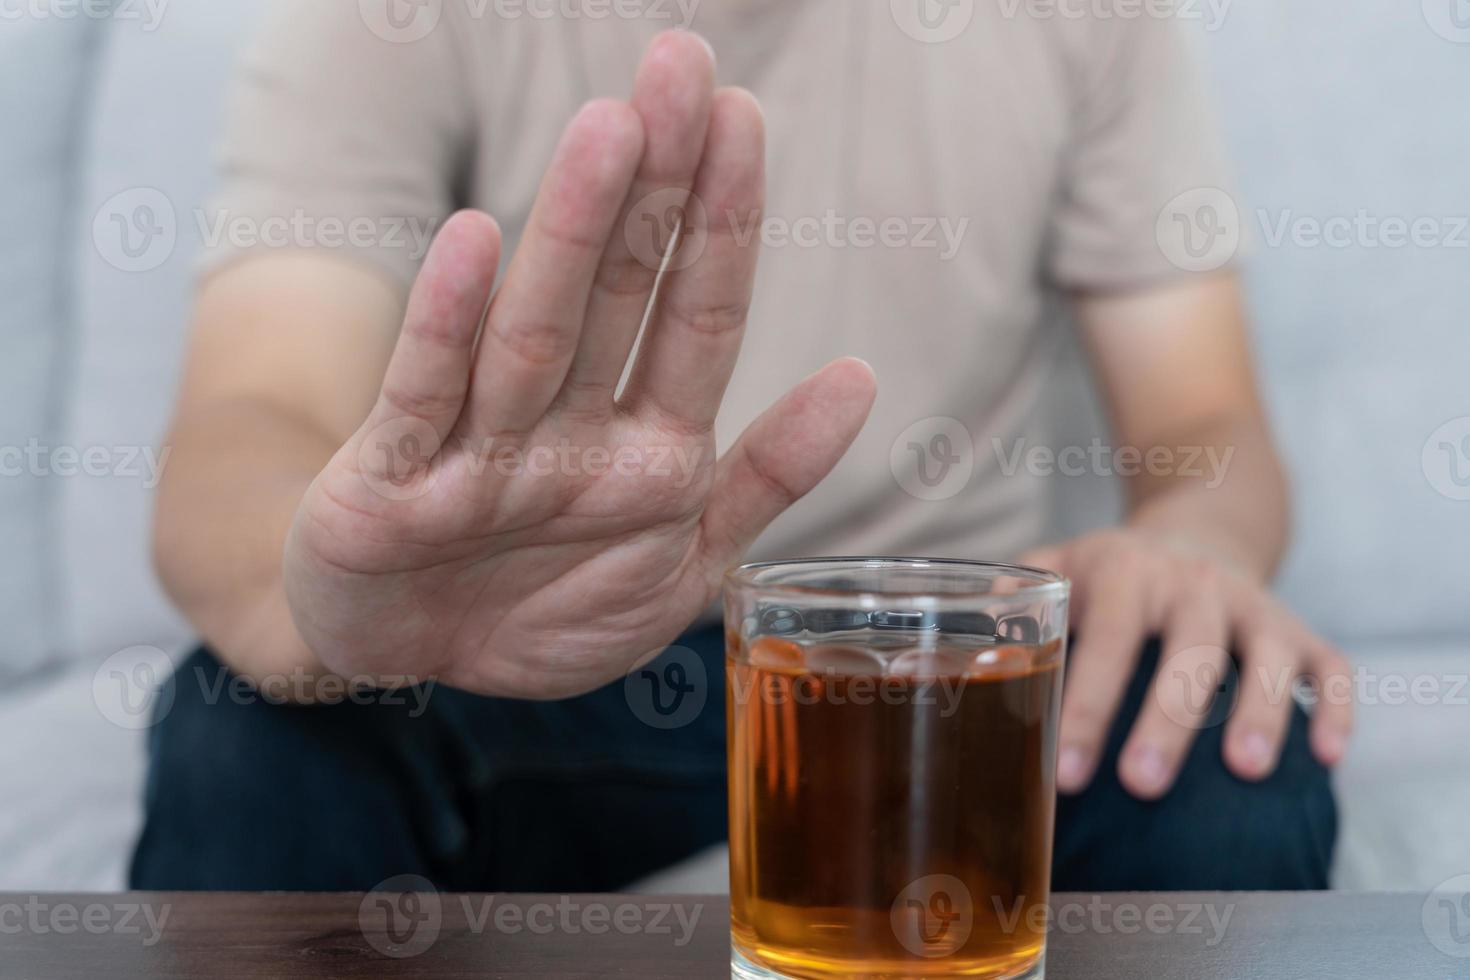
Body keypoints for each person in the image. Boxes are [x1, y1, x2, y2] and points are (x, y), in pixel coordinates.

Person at [133, 1, 1350, 892]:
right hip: (521, 652)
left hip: (938, 661)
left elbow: (1203, 418)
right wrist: (330, 620)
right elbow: (252, 415)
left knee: (1223, 742)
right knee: (248, 730)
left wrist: (1188, 547)